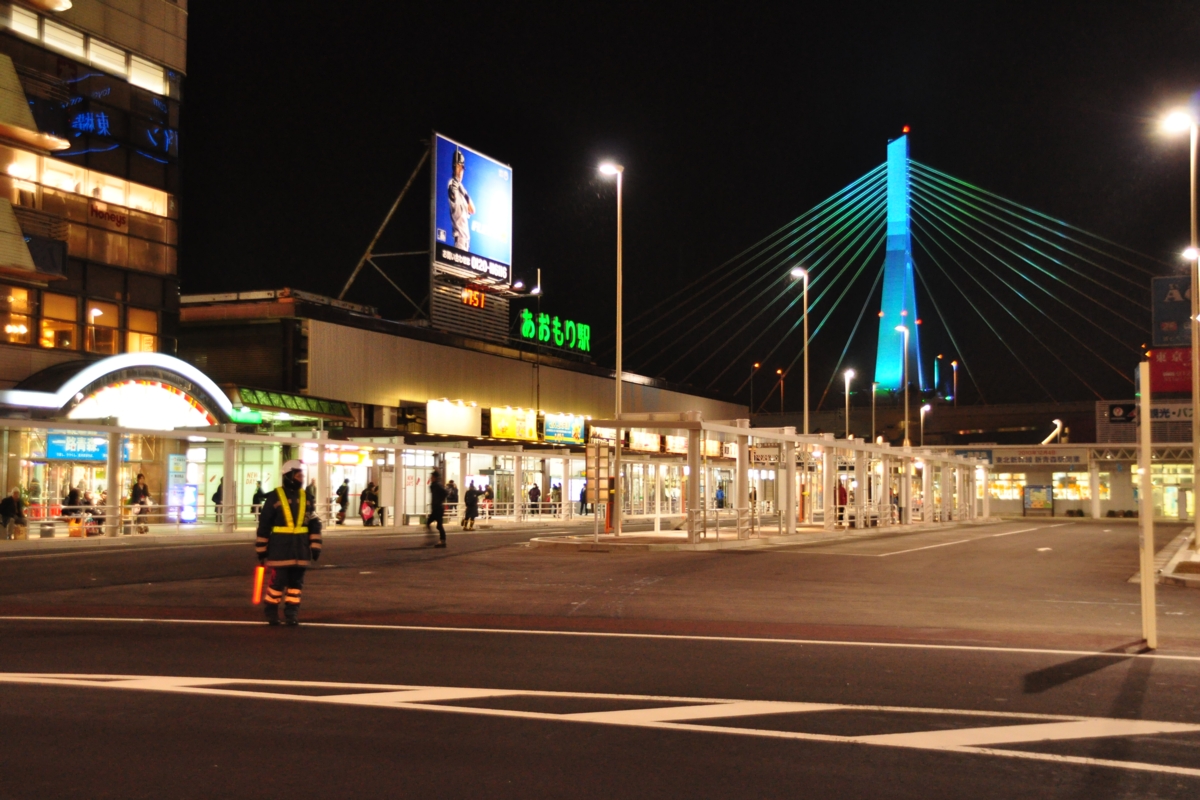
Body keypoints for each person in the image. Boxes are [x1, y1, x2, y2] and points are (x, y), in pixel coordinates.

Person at [255, 460, 322, 626]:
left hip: (300, 550)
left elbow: (313, 523)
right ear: (289, 476)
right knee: (278, 582)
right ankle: (271, 610)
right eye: (298, 475)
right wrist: (261, 549)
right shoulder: (275, 496)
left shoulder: (306, 497)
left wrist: (315, 546)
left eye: (302, 475)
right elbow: (264, 524)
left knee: (296, 585)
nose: (301, 478)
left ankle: (292, 613)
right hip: (281, 550)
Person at [447, 146, 475, 250]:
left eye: (462, 168)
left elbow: (473, 210)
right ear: (455, 167)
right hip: (459, 240)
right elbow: (452, 194)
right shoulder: (452, 184)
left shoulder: (462, 188)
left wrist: (463, 192)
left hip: (466, 242)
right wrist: (456, 182)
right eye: (460, 167)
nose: (461, 171)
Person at [427, 470, 446, 547]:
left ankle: (442, 541)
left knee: (438, 525)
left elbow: (445, 492)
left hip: (438, 508)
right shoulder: (434, 485)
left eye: (432, 477)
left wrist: (439, 501)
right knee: (430, 523)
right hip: (436, 508)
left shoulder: (438, 485)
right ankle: (437, 539)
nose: (431, 478)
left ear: (435, 477)